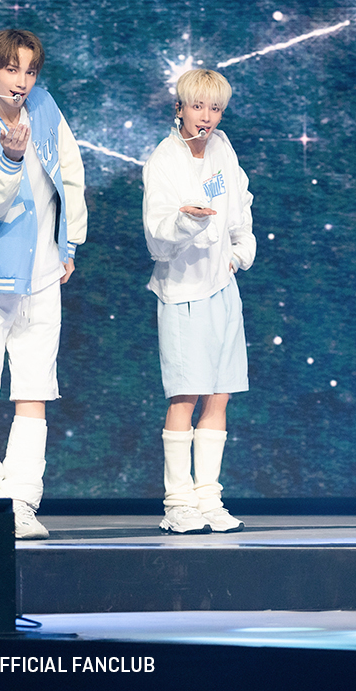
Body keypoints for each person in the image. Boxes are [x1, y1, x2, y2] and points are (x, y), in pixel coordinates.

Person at [0, 29, 86, 540]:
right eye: (11, 69)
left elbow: (70, 173)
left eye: (30, 71)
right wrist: (9, 160)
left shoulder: (45, 106)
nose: (22, 81)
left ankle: (22, 503)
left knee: (33, 393)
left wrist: (70, 243)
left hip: (42, 277)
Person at [142, 68, 255, 534]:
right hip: (183, 292)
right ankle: (178, 502)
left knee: (219, 395)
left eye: (215, 108)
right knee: (185, 395)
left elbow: (240, 206)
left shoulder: (223, 149)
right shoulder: (164, 160)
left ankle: (208, 497)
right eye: (197, 106)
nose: (206, 116)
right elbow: (157, 239)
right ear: (180, 108)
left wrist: (239, 252)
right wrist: (187, 221)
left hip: (222, 290)